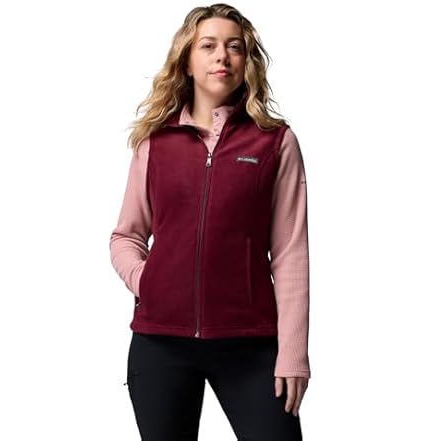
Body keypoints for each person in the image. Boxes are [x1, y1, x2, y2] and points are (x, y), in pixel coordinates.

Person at [109, 3, 311, 440]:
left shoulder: (275, 142)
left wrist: (293, 353)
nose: (222, 56)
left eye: (234, 47)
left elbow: (290, 253)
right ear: (187, 60)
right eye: (208, 45)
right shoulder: (155, 142)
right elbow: (126, 235)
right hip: (161, 343)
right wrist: (148, 281)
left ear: (246, 61)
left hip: (250, 343)